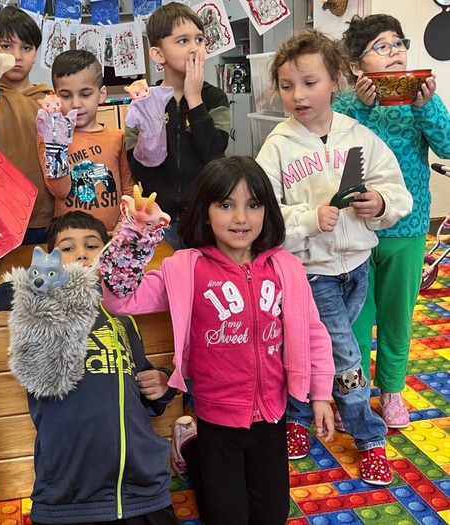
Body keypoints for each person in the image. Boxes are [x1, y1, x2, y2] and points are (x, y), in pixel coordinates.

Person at [100, 157, 336, 525]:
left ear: (267, 211)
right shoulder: (185, 268)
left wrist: (320, 394)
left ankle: (191, 447)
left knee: (272, 515)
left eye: (253, 205)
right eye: (226, 205)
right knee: (226, 517)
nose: (241, 218)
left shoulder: (285, 267)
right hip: (215, 416)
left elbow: (312, 331)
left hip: (272, 413)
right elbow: (119, 299)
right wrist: (136, 235)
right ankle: (191, 448)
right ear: (205, 212)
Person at [255, 29, 413, 486]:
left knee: (311, 347)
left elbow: (397, 192)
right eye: (287, 86)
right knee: (345, 355)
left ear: (336, 81)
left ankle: (298, 415)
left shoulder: (359, 136)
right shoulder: (277, 146)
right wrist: (309, 219)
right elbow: (263, 214)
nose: (298, 95)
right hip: (310, 272)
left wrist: (379, 203)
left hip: (356, 267)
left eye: (310, 83)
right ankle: (370, 437)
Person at [0, 210, 180, 525]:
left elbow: (142, 391)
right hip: (69, 498)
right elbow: (4, 302)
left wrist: (163, 383)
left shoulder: (124, 319)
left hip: (143, 491)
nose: (81, 253)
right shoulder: (41, 314)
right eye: (67, 248)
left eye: (91, 246)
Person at [333, 14, 450, 428]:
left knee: (398, 316)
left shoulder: (422, 99)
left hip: (409, 227)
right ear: (356, 65)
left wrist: (427, 105)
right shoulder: (345, 106)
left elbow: (448, 145)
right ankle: (352, 395)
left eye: (398, 43)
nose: (395, 52)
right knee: (355, 319)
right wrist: (361, 108)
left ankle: (393, 390)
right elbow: (335, 153)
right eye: (381, 47)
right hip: (355, 229)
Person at [126, 2, 230, 249]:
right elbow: (139, 168)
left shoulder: (215, 98)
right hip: (158, 221)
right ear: (158, 54)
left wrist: (194, 100)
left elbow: (215, 154)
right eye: (183, 41)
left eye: (199, 39)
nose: (195, 48)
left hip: (205, 220)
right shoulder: (143, 103)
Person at [0, 6, 54, 245]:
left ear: (35, 53)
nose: (17, 56)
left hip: (50, 216)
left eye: (26, 47)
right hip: (3, 217)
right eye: (6, 46)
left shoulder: (48, 100)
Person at [38, 50, 134, 234]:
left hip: (113, 236)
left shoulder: (117, 137)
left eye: (85, 94)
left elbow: (129, 190)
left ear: (101, 94)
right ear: (55, 97)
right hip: (69, 239)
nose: (76, 104)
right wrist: (56, 139)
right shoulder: (48, 137)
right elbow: (60, 191)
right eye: (66, 95)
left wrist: (122, 225)